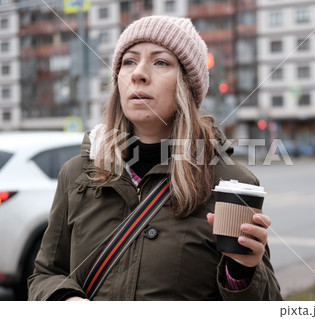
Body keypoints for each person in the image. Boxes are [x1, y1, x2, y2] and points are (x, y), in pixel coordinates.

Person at [28, 15, 282, 301]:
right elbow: (45, 274)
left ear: (187, 85)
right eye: (129, 62)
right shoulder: (76, 175)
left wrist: (242, 273)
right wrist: (65, 300)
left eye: (160, 62)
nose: (138, 73)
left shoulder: (230, 184)